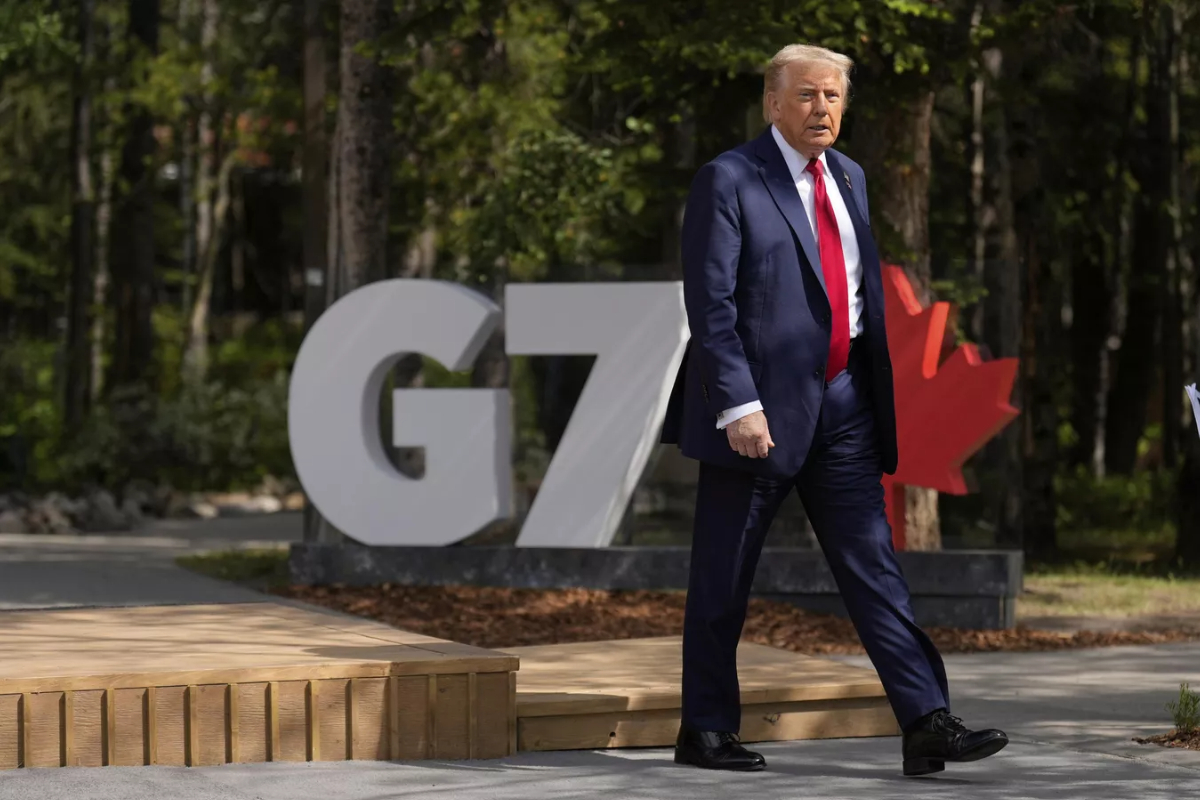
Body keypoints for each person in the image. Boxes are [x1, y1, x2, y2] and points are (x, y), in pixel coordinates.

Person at [660, 43, 1008, 778]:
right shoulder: (729, 178)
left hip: (845, 407)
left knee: (875, 569)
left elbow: (851, 296)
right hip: (757, 417)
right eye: (807, 95)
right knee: (724, 577)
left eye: (833, 96)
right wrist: (739, 404)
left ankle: (926, 721)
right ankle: (706, 730)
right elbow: (711, 304)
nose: (822, 108)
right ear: (772, 103)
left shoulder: (849, 176)